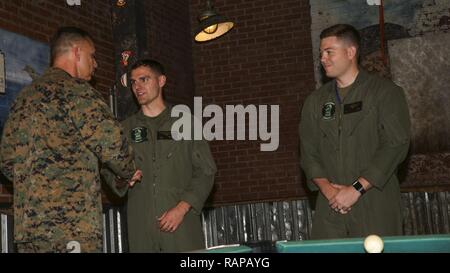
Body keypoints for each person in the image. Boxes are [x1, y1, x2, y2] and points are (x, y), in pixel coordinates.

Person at [0, 27, 141, 253]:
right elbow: (113, 146)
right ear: (76, 52)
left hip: (29, 233)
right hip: (72, 229)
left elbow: (7, 162)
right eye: (92, 56)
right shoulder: (78, 91)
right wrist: (127, 171)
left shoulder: (23, 99)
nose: (96, 64)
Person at [299, 24, 411, 239]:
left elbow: (395, 145)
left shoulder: (385, 93)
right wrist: (329, 190)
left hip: (375, 203)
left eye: (329, 52)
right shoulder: (315, 102)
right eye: (321, 53)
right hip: (330, 205)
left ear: (350, 52)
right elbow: (308, 153)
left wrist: (356, 189)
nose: (323, 58)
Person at [102, 59, 217, 252]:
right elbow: (108, 170)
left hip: (181, 228)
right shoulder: (125, 129)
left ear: (161, 81)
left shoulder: (185, 123)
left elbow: (206, 171)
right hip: (142, 229)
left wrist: (181, 209)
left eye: (144, 79)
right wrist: (123, 179)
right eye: (133, 82)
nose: (137, 86)